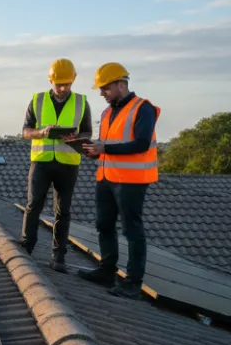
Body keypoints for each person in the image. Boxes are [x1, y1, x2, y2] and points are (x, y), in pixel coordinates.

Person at [79, 63, 160, 299]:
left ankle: (133, 282)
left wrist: (105, 148)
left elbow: (141, 144)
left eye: (105, 88)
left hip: (131, 180)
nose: (102, 93)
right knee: (103, 225)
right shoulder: (107, 112)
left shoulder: (142, 108)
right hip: (106, 177)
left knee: (131, 229)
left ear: (121, 84)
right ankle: (107, 270)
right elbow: (108, 145)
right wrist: (94, 150)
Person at [20, 58, 91, 272]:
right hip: (41, 162)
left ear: (73, 81)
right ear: (50, 81)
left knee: (63, 211)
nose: (63, 88)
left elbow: (88, 132)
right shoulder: (37, 100)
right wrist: (41, 133)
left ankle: (58, 257)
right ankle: (25, 250)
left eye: (67, 84)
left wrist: (75, 137)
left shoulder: (81, 102)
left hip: (68, 164)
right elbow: (25, 132)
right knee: (33, 206)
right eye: (59, 84)